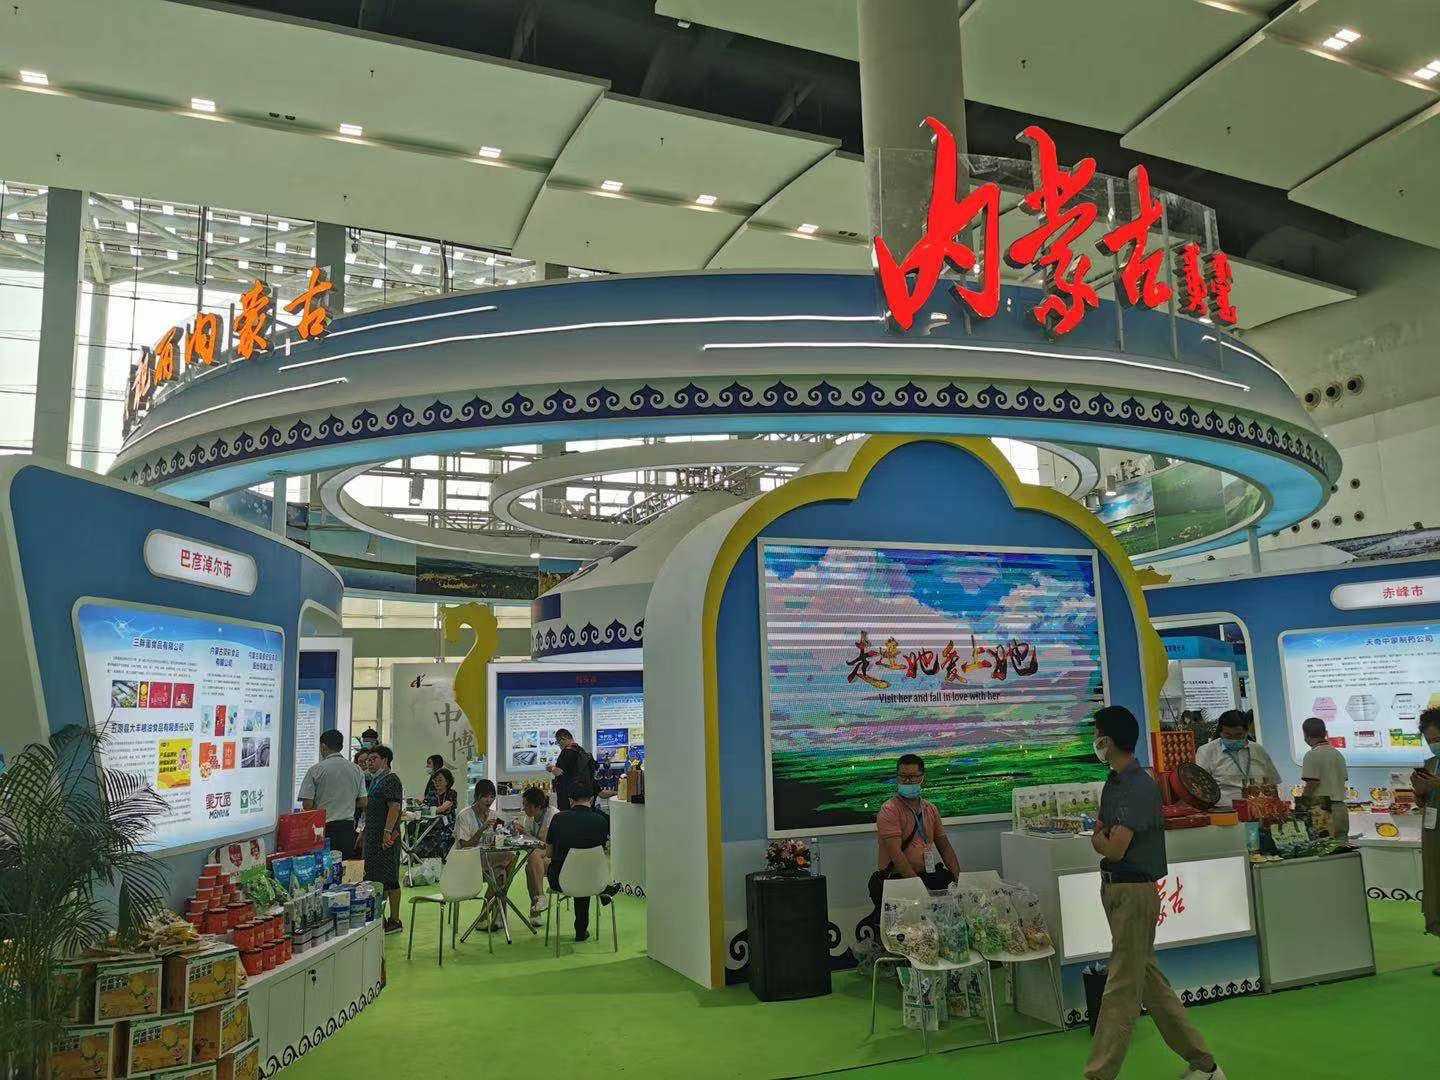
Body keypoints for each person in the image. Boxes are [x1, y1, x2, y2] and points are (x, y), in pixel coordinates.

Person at [1087, 706, 1225, 1080]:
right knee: (1150, 983)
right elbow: (1103, 835)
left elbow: (1113, 846)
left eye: (1096, 734)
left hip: (1134, 891)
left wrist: (1100, 839)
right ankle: (1206, 1066)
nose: (1094, 741)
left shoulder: (1137, 786)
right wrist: (1102, 839)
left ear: (1108, 740)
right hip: (1114, 889)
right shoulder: (1114, 783)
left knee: (1120, 988)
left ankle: (1098, 1074)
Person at [867, 753, 960, 924]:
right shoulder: (889, 810)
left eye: (912, 777)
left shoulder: (930, 809)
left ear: (922, 778)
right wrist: (919, 888)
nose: (907, 781)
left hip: (926, 876)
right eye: (903, 777)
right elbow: (896, 854)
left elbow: (945, 847)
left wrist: (959, 880)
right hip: (898, 880)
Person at [546, 781, 612, 941]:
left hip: (561, 880)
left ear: (570, 800)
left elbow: (549, 853)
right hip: (595, 880)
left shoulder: (558, 819)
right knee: (584, 872)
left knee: (573, 872)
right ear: (592, 799)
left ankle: (581, 929)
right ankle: (581, 930)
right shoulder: (602, 821)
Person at [298, 729, 367, 857]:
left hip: (323, 828)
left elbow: (307, 805)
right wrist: (347, 804)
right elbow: (363, 801)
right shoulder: (356, 769)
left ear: (323, 746)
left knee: (324, 864)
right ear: (341, 746)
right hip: (347, 829)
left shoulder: (316, 770)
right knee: (344, 864)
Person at [1195, 709, 1280, 808]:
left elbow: (1272, 783)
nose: (1233, 739)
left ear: (1246, 732)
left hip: (1258, 808)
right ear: (1220, 732)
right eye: (1228, 735)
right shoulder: (1207, 751)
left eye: (1238, 735)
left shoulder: (1258, 750)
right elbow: (1201, 786)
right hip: (1224, 810)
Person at [361, 745, 404, 934]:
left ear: (385, 760)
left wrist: (387, 832)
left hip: (386, 840)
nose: (369, 763)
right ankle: (380, 918)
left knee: (390, 878)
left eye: (374, 759)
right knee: (377, 879)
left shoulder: (391, 779)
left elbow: (394, 807)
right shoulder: (376, 780)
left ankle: (395, 920)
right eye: (368, 760)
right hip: (373, 838)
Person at [1411, 708, 1440, 975]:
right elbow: (1424, 802)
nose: (1434, 744)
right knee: (1436, 888)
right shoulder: (1430, 764)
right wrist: (1420, 792)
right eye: (1429, 740)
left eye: (1437, 739)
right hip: (1433, 834)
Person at [1299, 717, 1350, 839]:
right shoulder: (1338, 754)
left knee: (1323, 846)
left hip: (1323, 810)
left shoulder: (1311, 755)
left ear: (1306, 735)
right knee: (1341, 845)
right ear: (1325, 733)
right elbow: (1343, 779)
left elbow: (1312, 783)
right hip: (1341, 808)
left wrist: (1302, 804)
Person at [516, 786, 557, 919]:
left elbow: (546, 844)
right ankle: (537, 907)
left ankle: (539, 899)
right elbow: (530, 843)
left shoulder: (553, 815)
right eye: (523, 804)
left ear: (538, 806)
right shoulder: (529, 818)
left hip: (556, 856)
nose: (524, 808)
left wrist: (526, 834)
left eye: (527, 805)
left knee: (533, 858)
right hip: (540, 857)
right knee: (530, 867)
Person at [548, 728, 597, 811]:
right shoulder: (582, 751)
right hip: (584, 796)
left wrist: (551, 768)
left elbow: (559, 772)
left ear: (563, 739)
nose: (559, 745)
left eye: (558, 742)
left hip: (568, 797)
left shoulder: (566, 752)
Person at [417, 767, 458, 860]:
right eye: (435, 780)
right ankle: (413, 857)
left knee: (436, 838)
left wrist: (428, 810)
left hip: (446, 827)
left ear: (447, 782)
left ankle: (437, 860)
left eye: (440, 780)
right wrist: (419, 804)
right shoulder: (431, 793)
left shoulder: (451, 793)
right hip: (431, 825)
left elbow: (443, 808)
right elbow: (423, 806)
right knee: (413, 829)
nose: (437, 783)